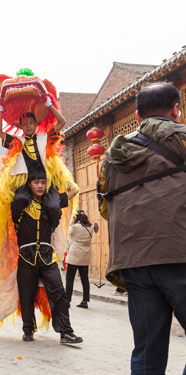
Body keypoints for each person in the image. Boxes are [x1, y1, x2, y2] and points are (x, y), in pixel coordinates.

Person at [98, 82, 186, 374]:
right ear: (176, 109)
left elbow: (104, 208)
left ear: (137, 116)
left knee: (147, 350)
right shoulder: (183, 139)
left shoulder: (111, 158)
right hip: (178, 254)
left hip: (133, 261)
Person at [12, 167, 81, 344]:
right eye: (36, 182)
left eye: (43, 182)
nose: (40, 186)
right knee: (26, 294)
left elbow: (75, 189)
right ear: (30, 184)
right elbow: (8, 188)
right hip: (26, 255)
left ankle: (66, 332)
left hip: (47, 255)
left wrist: (56, 178)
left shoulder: (53, 203)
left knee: (58, 291)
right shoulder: (20, 203)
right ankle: (28, 328)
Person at [65, 209, 98, 309]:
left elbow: (68, 234)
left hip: (74, 255)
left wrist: (72, 222)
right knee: (85, 279)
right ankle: (85, 301)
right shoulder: (91, 227)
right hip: (85, 255)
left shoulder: (74, 227)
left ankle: (67, 301)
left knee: (69, 279)